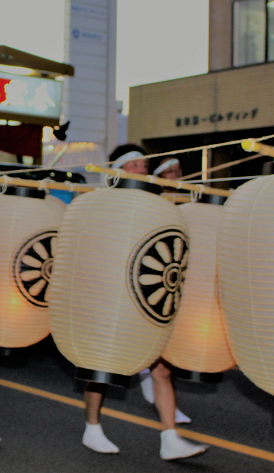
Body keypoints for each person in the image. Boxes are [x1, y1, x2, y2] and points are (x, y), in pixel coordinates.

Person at [80, 145, 207, 461]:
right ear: (118, 170)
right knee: (102, 369)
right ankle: (92, 427)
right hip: (110, 298)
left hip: (146, 298)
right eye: (133, 164)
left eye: (144, 164)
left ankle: (170, 438)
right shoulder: (102, 205)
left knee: (162, 369)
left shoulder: (157, 206)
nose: (141, 169)